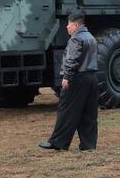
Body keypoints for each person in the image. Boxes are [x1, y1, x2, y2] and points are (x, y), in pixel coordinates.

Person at [40, 12, 100, 151]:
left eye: (69, 24)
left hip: (77, 78)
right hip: (92, 78)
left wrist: (66, 77)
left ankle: (58, 142)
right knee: (89, 113)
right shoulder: (91, 37)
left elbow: (72, 60)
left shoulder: (76, 39)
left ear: (76, 25)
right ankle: (89, 144)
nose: (67, 27)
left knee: (66, 110)